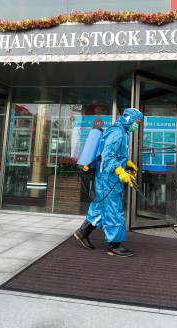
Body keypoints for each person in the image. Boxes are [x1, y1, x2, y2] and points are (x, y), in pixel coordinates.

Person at [73, 108, 143, 257]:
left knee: (101, 206)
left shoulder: (122, 131)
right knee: (113, 209)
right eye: (137, 122)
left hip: (108, 177)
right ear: (130, 119)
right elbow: (107, 157)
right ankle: (114, 245)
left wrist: (127, 163)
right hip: (108, 178)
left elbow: (116, 155)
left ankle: (82, 232)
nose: (137, 126)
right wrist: (120, 172)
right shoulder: (117, 132)